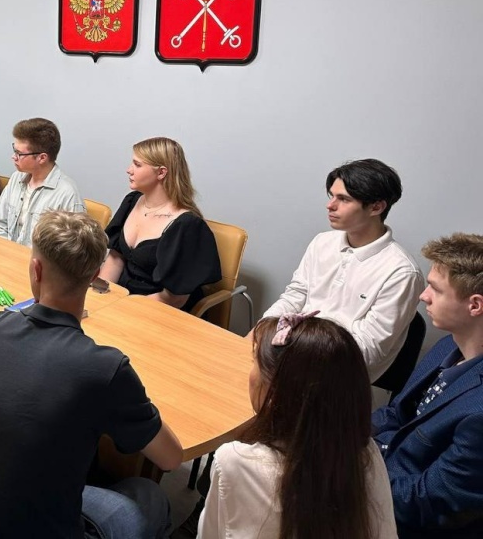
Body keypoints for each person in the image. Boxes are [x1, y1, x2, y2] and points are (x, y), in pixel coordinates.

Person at [0, 210, 181, 539]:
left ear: (35, 269)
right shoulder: (105, 369)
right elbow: (171, 459)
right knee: (149, 495)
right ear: (95, 276)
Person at [199, 313, 397, 539]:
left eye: (254, 362)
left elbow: (209, 534)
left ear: (274, 393)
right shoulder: (367, 453)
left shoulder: (236, 461)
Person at [261, 158, 424, 381]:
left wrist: (293, 344)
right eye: (332, 196)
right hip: (292, 351)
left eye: (344, 199)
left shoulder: (402, 272)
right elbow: (296, 295)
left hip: (340, 375)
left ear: (376, 207)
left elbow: (367, 351)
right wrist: (264, 328)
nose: (330, 206)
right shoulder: (322, 242)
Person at [372, 233, 483, 538]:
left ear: (475, 305)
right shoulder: (448, 345)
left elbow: (431, 502)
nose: (424, 296)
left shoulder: (479, 413)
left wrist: (350, 477)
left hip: (405, 517)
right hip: (383, 473)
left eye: (436, 288)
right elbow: (397, 414)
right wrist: (334, 432)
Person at [99, 137, 220, 312]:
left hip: (159, 310)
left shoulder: (187, 226)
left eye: (137, 165)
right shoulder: (132, 201)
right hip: (122, 302)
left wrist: (125, 309)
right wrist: (100, 298)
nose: (129, 170)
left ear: (161, 172)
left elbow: (174, 298)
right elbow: (116, 258)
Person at [0, 118, 84, 246]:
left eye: (19, 153)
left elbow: (73, 247)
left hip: (41, 258)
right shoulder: (16, 178)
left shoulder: (67, 194)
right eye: (14, 150)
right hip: (7, 253)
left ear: (42, 158)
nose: (13, 157)